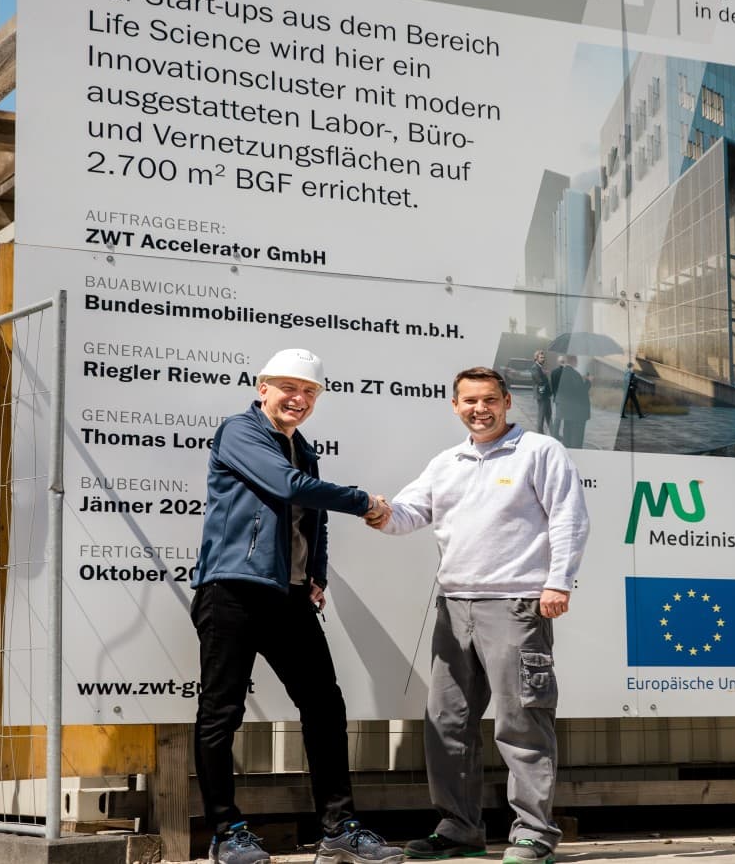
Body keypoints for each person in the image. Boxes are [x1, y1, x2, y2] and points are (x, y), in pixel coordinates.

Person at [189, 349, 403, 864]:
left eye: (309, 392)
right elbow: (287, 488)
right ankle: (226, 832)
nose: (298, 399)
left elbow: (311, 520)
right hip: (233, 589)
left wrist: (315, 576)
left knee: (325, 707)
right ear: (262, 388)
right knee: (222, 713)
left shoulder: (302, 448)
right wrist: (364, 500)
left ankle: (338, 828)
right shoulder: (239, 431)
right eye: (288, 387)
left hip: (287, 596)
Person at [371, 367, 589, 864]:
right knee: (447, 722)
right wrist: (379, 513)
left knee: (522, 721)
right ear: (455, 406)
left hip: (516, 606)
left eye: (489, 399)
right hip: (454, 608)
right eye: (469, 400)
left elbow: (569, 518)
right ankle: (458, 829)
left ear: (507, 402)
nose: (479, 408)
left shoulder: (539, 451)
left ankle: (534, 833)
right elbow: (409, 513)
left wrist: (558, 582)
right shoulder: (446, 462)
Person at [549, 354, 590, 449]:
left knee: (567, 434)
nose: (578, 363)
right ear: (573, 361)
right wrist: (588, 381)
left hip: (565, 409)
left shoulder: (560, 372)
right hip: (577, 411)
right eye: (577, 361)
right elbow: (581, 392)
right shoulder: (574, 374)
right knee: (576, 439)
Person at [532, 350, 553, 434]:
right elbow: (539, 381)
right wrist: (544, 375)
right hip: (541, 395)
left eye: (544, 358)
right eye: (541, 358)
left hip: (545, 395)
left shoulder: (540, 367)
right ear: (536, 358)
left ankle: (553, 433)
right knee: (541, 416)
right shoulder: (534, 367)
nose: (543, 359)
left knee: (549, 415)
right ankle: (540, 433)